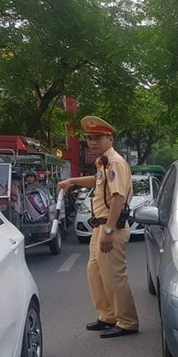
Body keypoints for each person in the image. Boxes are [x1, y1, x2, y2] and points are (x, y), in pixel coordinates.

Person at [58, 116, 139, 338]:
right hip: (99, 227)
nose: (92, 143)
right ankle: (108, 316)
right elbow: (96, 182)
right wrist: (72, 180)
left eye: (98, 138)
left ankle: (127, 321)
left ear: (110, 138)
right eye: (89, 138)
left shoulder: (114, 162)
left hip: (109, 226)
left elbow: (118, 197)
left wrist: (109, 230)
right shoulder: (103, 162)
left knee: (113, 276)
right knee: (95, 273)